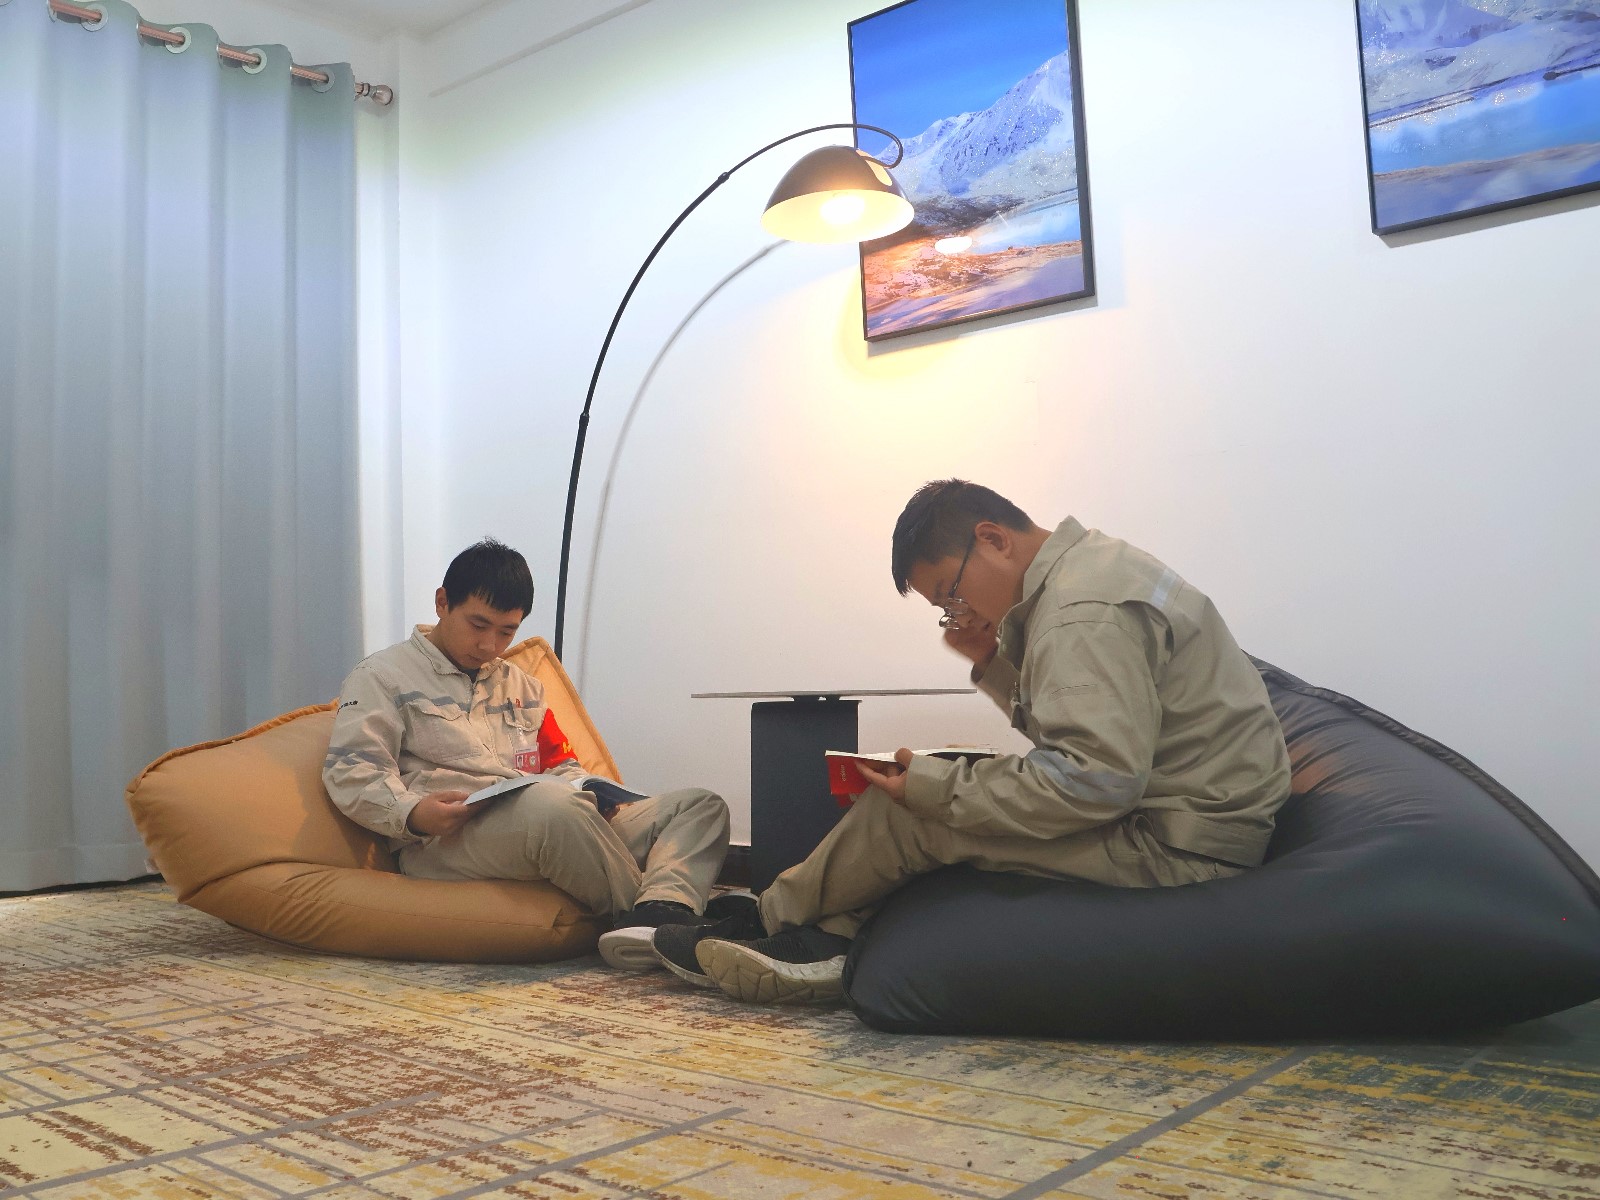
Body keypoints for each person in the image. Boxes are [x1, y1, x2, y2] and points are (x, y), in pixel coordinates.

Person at [655, 480, 1292, 1005]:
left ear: (993, 539)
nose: (956, 612)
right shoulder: (1091, 570)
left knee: (917, 810)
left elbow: (1094, 782)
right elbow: (1090, 743)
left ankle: (777, 922)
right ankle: (817, 933)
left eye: (951, 593)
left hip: (1178, 847)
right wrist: (991, 662)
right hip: (1178, 814)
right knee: (935, 787)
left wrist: (935, 786)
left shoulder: (1078, 612)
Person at [323, 538, 737, 971]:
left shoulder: (522, 686)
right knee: (554, 808)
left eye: (507, 631)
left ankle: (663, 909)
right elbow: (351, 770)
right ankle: (668, 926)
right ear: (442, 603)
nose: (489, 645)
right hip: (447, 839)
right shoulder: (380, 677)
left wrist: (593, 793)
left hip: (549, 817)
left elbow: (561, 765)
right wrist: (412, 812)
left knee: (699, 806)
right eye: (478, 624)